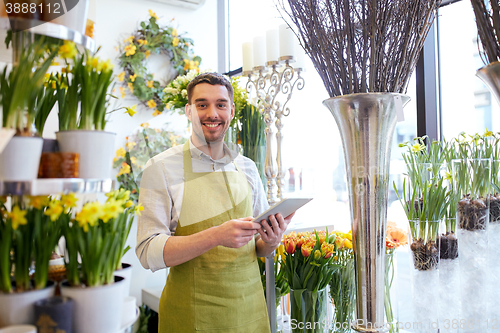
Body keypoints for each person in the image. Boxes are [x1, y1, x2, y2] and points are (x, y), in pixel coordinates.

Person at [136, 72, 294, 333]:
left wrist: (272, 239)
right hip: (191, 315)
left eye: (220, 104)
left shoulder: (248, 168)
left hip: (249, 311)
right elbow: (147, 252)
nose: (212, 113)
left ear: (231, 111)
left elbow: (258, 247)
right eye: (202, 104)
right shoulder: (161, 167)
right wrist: (216, 236)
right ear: (188, 110)